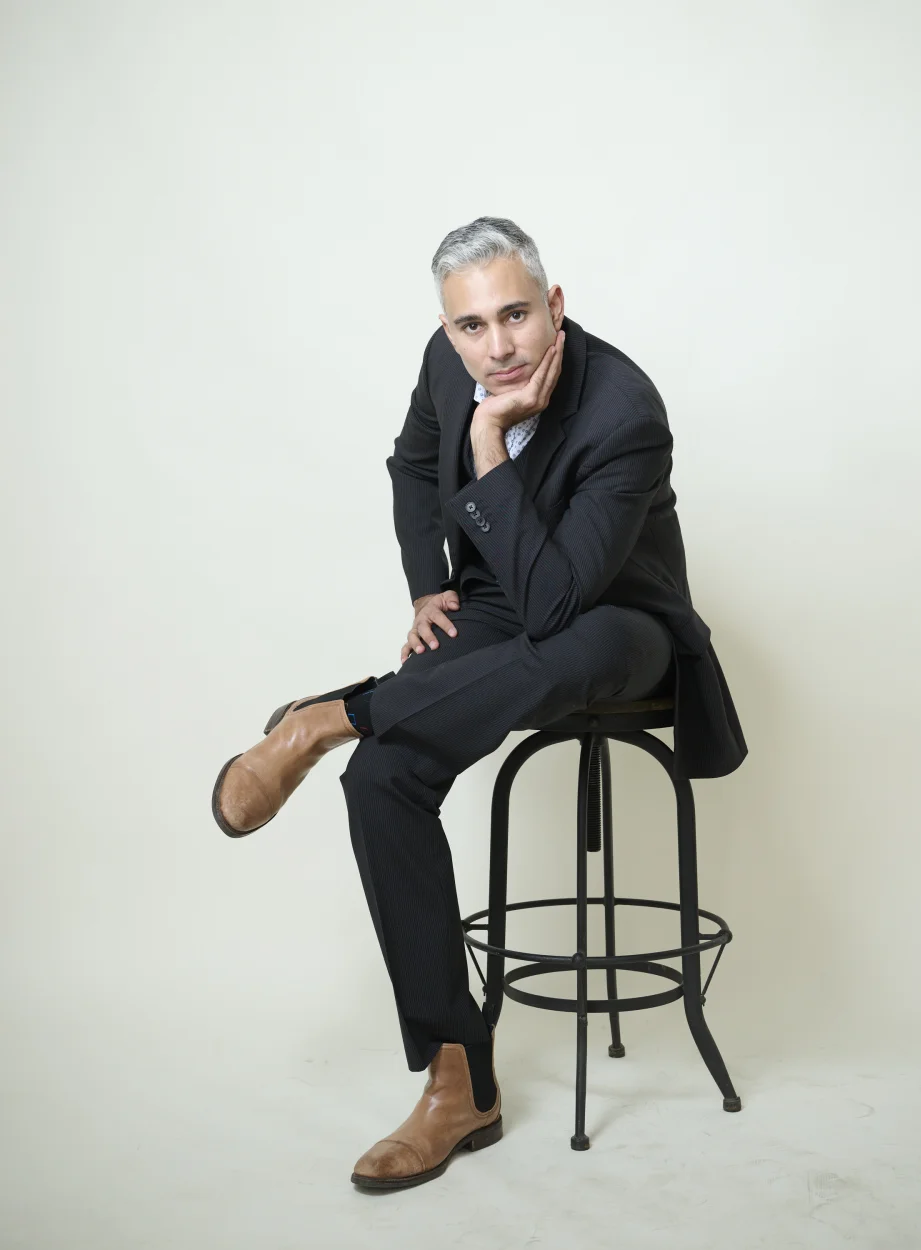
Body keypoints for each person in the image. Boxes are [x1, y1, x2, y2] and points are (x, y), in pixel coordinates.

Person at [210, 216, 748, 1191]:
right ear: (446, 328)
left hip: (621, 619)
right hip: (504, 598)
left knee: (566, 643)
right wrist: (427, 584)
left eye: (512, 316)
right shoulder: (444, 357)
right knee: (383, 777)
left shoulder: (624, 407)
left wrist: (489, 435)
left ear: (553, 305)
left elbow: (558, 602)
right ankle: (459, 1079)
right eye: (469, 327)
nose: (493, 346)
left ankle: (334, 713)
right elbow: (414, 467)